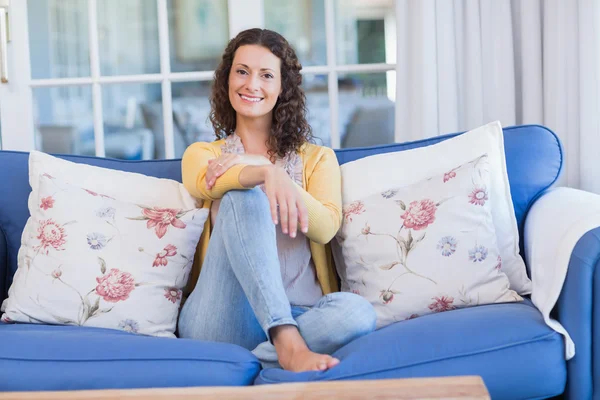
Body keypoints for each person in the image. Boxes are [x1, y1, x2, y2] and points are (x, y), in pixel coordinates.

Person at [178, 28, 376, 373]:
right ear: (227, 80)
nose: (251, 84)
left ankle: (259, 356)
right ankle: (286, 342)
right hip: (221, 316)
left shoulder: (317, 159)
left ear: (283, 87)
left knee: (359, 313)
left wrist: (269, 168)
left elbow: (326, 227)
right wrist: (263, 174)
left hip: (302, 311)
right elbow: (208, 185)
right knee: (244, 196)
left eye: (266, 75)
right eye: (242, 71)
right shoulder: (204, 154)